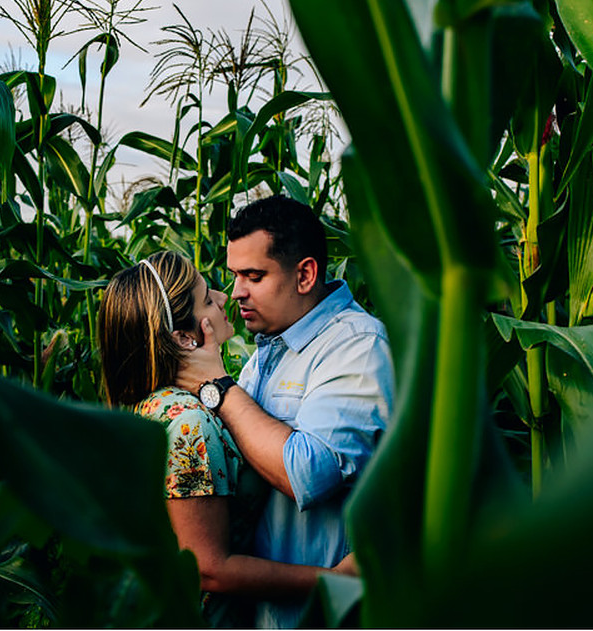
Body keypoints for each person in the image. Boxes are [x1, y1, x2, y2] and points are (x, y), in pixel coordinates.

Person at [98, 250, 356, 628]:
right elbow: (209, 569)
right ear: (185, 338)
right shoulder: (188, 424)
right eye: (206, 298)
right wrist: (336, 581)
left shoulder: (151, 404)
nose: (224, 297)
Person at [176, 195, 395, 628]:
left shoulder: (358, 347)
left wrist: (219, 387)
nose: (236, 291)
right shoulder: (267, 351)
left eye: (253, 276)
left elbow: (306, 472)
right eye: (236, 274)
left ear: (305, 274)